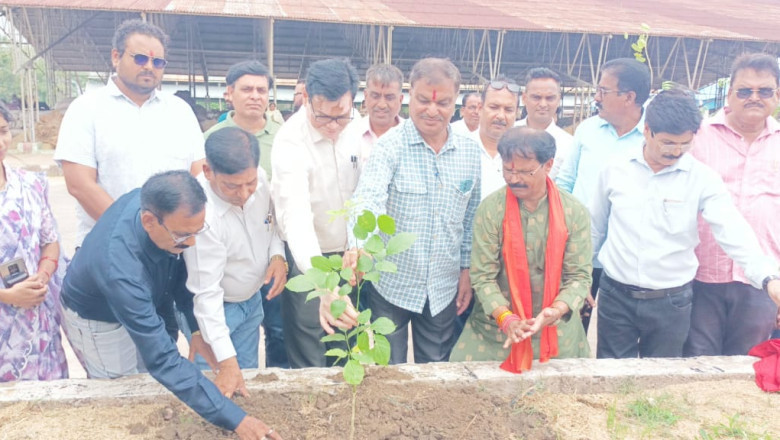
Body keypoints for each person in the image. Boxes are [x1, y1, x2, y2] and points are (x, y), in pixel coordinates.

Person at [60, 170, 282, 440]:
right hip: (100, 318)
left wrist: (195, 329)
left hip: (149, 296)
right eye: (183, 236)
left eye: (197, 232)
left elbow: (178, 273)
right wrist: (236, 419)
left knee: (152, 383)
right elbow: (162, 359)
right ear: (148, 221)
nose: (191, 243)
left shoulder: (165, 214)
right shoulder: (120, 268)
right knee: (121, 395)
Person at [590, 89, 780, 359]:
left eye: (685, 143)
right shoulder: (615, 169)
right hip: (616, 295)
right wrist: (583, 279)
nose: (676, 151)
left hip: (671, 302)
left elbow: (732, 229)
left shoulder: (702, 179)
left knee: (664, 377)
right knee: (611, 374)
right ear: (647, 130)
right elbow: (595, 228)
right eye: (668, 143)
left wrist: (768, 278)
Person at [347, 58, 481, 364]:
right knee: (388, 370)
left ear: (455, 102)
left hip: (443, 286)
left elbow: (470, 217)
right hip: (392, 283)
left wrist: (466, 270)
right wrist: (360, 245)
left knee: (436, 369)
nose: (432, 110)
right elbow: (368, 198)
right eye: (423, 101)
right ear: (409, 97)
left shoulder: (469, 152)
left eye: (442, 103)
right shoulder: (390, 147)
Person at [54, 19, 205, 248]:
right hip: (110, 246)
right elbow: (80, 184)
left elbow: (198, 176)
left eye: (158, 62)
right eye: (140, 58)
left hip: (172, 248)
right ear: (116, 57)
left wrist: (171, 232)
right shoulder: (86, 109)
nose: (149, 67)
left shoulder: (179, 111)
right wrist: (136, 231)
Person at [450, 127, 591, 368]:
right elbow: (482, 276)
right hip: (496, 331)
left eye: (525, 172)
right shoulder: (491, 209)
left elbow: (579, 276)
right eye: (508, 170)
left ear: (548, 165)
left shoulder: (574, 211)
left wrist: (556, 311)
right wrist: (507, 320)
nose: (514, 179)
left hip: (557, 332)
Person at [685, 53, 780, 356]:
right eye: (745, 91)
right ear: (729, 94)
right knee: (697, 362)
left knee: (748, 365)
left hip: (763, 281)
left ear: (777, 95)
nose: (754, 97)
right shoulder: (697, 137)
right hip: (701, 273)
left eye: (764, 91)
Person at [271, 58, 361, 368]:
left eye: (341, 115)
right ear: (307, 98)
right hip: (308, 256)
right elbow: (296, 217)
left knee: (347, 335)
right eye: (323, 116)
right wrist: (323, 285)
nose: (333, 126)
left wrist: (357, 246)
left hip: (349, 255)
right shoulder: (290, 141)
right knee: (309, 333)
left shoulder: (356, 127)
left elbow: (363, 196)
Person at [182, 127, 287, 385]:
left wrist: (277, 256)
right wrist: (226, 360)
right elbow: (206, 294)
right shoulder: (201, 215)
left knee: (245, 380)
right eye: (232, 186)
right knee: (214, 384)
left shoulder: (259, 179)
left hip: (251, 301)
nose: (244, 194)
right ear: (208, 171)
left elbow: (271, 221)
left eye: (249, 184)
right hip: (217, 312)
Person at [555, 58, 650, 330]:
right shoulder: (587, 130)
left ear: (629, 97)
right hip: (578, 251)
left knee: (617, 333)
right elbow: (565, 182)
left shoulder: (652, 137)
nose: (596, 97)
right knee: (571, 325)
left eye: (603, 91)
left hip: (625, 257)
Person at [0, 102, 68, 382]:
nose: (0, 142)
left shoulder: (31, 184)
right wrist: (7, 296)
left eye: (3, 131)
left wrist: (42, 276)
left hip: (37, 318)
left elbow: (49, 242)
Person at [205, 61, 281, 180]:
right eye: (247, 89)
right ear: (229, 93)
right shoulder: (209, 139)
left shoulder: (285, 137)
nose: (255, 97)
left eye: (261, 90)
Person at [515, 68, 573, 179]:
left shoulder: (569, 145)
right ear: (524, 98)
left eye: (549, 98)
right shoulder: (507, 135)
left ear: (558, 100)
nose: (543, 104)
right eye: (536, 97)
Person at [347, 63, 404, 163]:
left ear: (400, 100)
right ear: (366, 96)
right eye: (375, 96)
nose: (382, 105)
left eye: (389, 98)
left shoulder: (414, 137)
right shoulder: (349, 135)